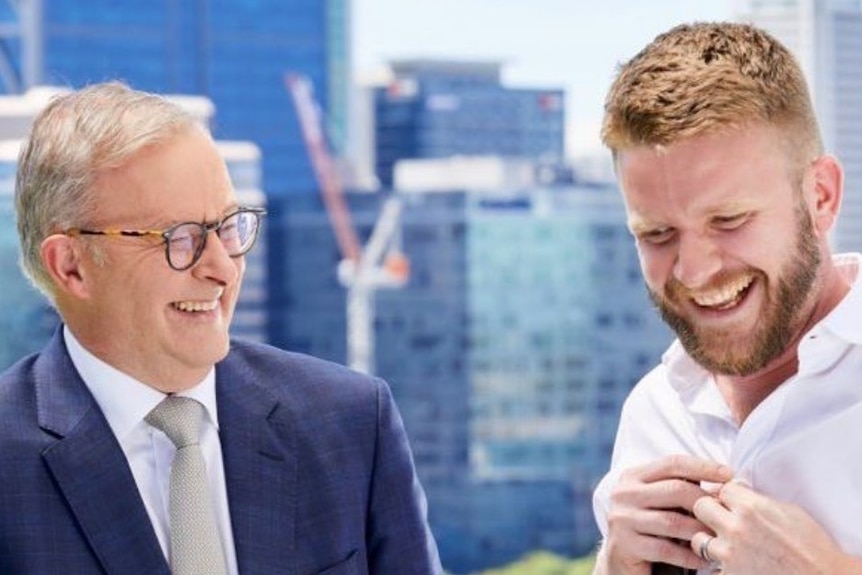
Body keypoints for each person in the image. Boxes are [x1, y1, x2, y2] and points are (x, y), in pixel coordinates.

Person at [2, 81, 442, 575]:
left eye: (229, 227)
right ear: (71, 267)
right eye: (180, 238)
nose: (223, 268)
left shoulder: (352, 422)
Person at [591, 21, 862, 575]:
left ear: (821, 197)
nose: (694, 271)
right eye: (657, 234)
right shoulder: (653, 412)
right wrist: (616, 564)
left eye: (729, 220)